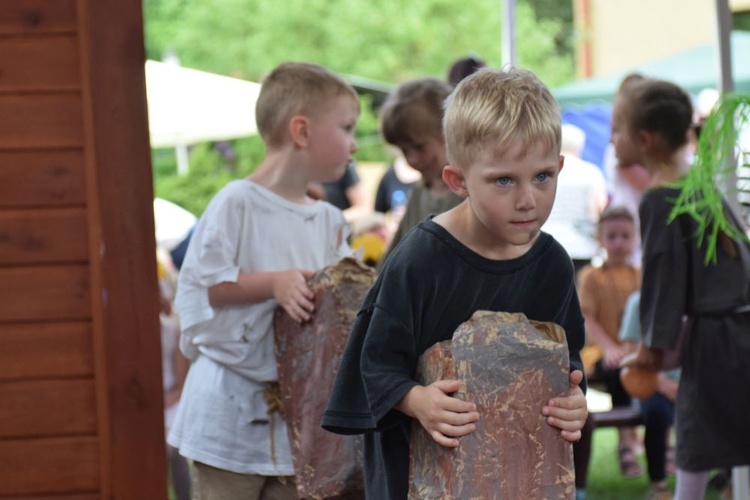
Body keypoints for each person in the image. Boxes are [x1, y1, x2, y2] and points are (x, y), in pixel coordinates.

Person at [322, 67, 588, 499]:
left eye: (542, 176)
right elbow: (373, 363)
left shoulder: (553, 264)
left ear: (560, 167)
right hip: (418, 471)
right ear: (458, 181)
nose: (527, 199)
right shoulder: (420, 260)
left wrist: (575, 400)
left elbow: (568, 359)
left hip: (514, 471)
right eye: (504, 180)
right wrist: (415, 400)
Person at [167, 61, 359, 500]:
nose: (353, 144)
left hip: (299, 419)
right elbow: (204, 285)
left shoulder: (330, 220)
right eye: (346, 128)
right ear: (302, 131)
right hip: (227, 417)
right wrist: (274, 283)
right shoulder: (237, 202)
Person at [613, 78, 750, 500]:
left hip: (716, 342)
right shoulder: (699, 181)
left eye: (617, 129)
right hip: (739, 332)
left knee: (692, 447)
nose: (613, 139)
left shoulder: (660, 197)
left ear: (645, 139)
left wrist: (651, 353)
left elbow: (662, 281)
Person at [575, 205, 642, 483]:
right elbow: (587, 318)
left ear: (634, 238)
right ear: (600, 239)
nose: (618, 242)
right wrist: (611, 348)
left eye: (625, 236)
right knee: (616, 368)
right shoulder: (591, 275)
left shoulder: (639, 276)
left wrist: (632, 348)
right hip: (599, 352)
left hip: (633, 350)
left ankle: (661, 442)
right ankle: (626, 443)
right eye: (611, 236)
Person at [377, 77, 463, 266]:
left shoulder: (469, 194)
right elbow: (395, 253)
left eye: (419, 147)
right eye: (405, 150)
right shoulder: (420, 191)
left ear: (449, 133)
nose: (412, 159)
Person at [619, 291, 678, 500]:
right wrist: (665, 384)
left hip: (692, 381)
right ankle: (658, 484)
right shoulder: (639, 301)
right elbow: (630, 353)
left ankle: (730, 479)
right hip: (652, 381)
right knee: (656, 412)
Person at [543, 123, 608, 271]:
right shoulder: (591, 172)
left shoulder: (546, 173)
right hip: (582, 246)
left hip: (549, 243)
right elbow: (599, 209)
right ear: (580, 147)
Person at [157, 250, 192, 500]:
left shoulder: (173, 333)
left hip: (170, 402)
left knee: (175, 451)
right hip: (152, 404)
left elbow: (182, 383)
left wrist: (163, 403)